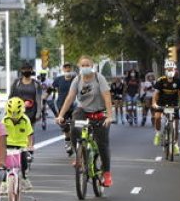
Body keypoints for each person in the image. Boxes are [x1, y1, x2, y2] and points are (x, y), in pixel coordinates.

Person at [56, 56, 115, 187]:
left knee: (102, 144)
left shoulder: (99, 78)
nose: (85, 67)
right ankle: (80, 157)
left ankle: (106, 173)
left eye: (87, 65)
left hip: (100, 112)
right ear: (79, 66)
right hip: (83, 111)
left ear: (92, 66)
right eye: (82, 65)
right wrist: (61, 115)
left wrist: (109, 116)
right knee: (73, 128)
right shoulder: (77, 79)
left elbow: (107, 97)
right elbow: (70, 97)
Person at [151, 61, 180, 152]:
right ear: (165, 70)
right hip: (161, 103)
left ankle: (176, 144)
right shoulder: (161, 80)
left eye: (172, 69)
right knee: (157, 117)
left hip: (173, 104)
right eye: (168, 69)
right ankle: (158, 133)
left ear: (175, 70)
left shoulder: (178, 81)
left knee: (175, 126)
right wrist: (154, 103)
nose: (170, 71)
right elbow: (156, 94)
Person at [2, 96, 35, 190]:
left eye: (16, 114)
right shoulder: (4, 120)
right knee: (3, 163)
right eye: (11, 114)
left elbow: (30, 134)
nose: (14, 117)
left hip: (21, 145)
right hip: (7, 144)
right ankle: (4, 183)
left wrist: (30, 146)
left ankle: (24, 178)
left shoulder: (25, 120)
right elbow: (0, 134)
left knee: (24, 162)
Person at [49, 64, 76, 148]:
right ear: (63, 69)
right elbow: (50, 89)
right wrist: (44, 97)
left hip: (74, 106)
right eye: (66, 67)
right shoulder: (58, 79)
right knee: (65, 126)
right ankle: (68, 140)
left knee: (75, 125)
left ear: (72, 68)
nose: (67, 69)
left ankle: (75, 141)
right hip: (61, 106)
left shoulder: (76, 79)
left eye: (69, 67)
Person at [8, 62, 42, 128]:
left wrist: (38, 113)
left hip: (31, 113)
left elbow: (38, 99)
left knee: (29, 132)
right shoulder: (17, 82)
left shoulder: (36, 84)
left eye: (28, 69)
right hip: (17, 112)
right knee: (18, 131)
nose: (26, 71)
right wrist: (8, 111)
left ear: (31, 70)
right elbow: (11, 97)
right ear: (21, 70)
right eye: (24, 69)